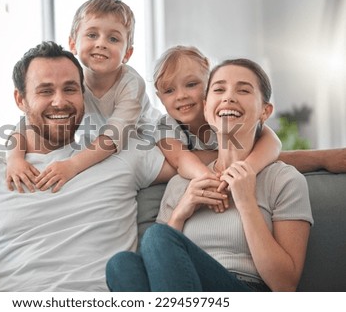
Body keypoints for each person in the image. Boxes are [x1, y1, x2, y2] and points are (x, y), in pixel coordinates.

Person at [0, 41, 173, 292]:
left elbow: (202, 161)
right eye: (45, 91)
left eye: (70, 89)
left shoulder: (122, 154)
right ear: (20, 99)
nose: (60, 101)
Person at [106, 58, 314, 292]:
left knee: (157, 237)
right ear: (206, 108)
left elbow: (284, 285)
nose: (229, 97)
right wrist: (180, 213)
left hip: (247, 290)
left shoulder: (284, 180)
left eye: (243, 90)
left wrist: (246, 202)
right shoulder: (181, 184)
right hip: (184, 289)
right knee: (121, 264)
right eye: (219, 89)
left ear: (265, 111)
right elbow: (154, 267)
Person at [6, 0, 160, 193]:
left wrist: (73, 165)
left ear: (127, 54)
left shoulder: (131, 84)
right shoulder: (72, 81)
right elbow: (24, 123)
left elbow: (113, 136)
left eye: (113, 38)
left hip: (151, 139)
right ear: (72, 44)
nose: (101, 43)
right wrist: (14, 159)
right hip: (110, 146)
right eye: (92, 35)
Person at [153, 46, 282, 212]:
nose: (181, 96)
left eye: (191, 84)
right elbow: (180, 159)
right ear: (159, 97)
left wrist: (246, 169)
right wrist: (210, 180)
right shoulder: (166, 126)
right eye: (169, 90)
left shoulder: (226, 117)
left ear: (209, 83)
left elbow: (272, 142)